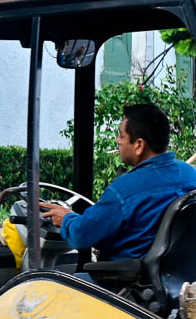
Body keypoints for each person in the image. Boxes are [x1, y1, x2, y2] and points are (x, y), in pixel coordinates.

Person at [41, 103, 196, 260]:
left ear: (139, 145)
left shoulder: (124, 190)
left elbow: (82, 236)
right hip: (178, 279)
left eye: (121, 136)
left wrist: (66, 219)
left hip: (125, 280)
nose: (118, 141)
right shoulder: (191, 175)